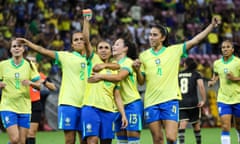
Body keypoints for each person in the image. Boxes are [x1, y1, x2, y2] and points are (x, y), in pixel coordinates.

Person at [132, 16, 220, 144]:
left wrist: (211, 26)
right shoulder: (144, 56)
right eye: (150, 34)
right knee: (157, 139)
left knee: (172, 138)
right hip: (151, 102)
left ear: (163, 37)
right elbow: (141, 81)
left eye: (154, 35)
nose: (151, 37)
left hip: (170, 100)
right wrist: (137, 70)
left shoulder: (174, 51)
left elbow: (195, 40)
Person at [16, 26, 88, 144]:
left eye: (81, 39)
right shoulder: (65, 56)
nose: (79, 41)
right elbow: (43, 50)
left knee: (85, 140)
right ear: (72, 45)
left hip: (86, 104)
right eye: (76, 40)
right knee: (69, 140)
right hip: (68, 103)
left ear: (86, 42)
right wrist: (29, 44)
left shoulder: (91, 59)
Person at [82, 11, 128, 144]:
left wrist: (123, 114)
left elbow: (117, 96)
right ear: (96, 51)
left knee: (106, 141)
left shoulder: (115, 70)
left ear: (110, 51)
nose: (103, 50)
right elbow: (86, 40)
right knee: (92, 140)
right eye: (100, 48)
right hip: (90, 107)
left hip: (108, 110)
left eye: (106, 48)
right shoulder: (93, 59)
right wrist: (86, 20)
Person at [90, 37, 143, 144]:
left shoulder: (128, 62)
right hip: (118, 107)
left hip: (131, 103)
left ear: (125, 49)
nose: (113, 46)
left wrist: (100, 76)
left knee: (132, 138)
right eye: (113, 44)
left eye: (117, 44)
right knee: (121, 140)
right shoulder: (113, 64)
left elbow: (119, 77)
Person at [0, 39, 41, 144]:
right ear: (10, 50)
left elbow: (39, 85)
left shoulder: (29, 65)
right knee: (15, 139)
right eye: (14, 46)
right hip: (8, 106)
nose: (17, 48)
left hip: (25, 107)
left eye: (19, 46)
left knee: (22, 142)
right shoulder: (3, 65)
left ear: (23, 49)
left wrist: (31, 83)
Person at [208, 40, 240, 144]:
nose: (225, 49)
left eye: (227, 47)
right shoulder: (217, 63)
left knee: (238, 125)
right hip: (223, 99)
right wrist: (213, 81)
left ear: (232, 49)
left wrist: (234, 78)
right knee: (225, 126)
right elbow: (216, 75)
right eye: (223, 47)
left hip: (237, 98)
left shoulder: (238, 62)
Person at [26, 56, 56, 144]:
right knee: (21, 135)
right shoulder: (21, 75)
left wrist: (43, 81)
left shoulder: (40, 76)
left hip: (35, 105)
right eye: (30, 62)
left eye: (34, 62)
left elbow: (53, 88)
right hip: (22, 105)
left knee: (32, 133)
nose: (33, 64)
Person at [178, 57, 206, 144]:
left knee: (182, 124)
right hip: (193, 102)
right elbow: (201, 86)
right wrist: (203, 100)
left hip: (181, 103)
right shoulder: (196, 74)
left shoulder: (178, 74)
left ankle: (181, 142)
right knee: (196, 124)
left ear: (185, 64)